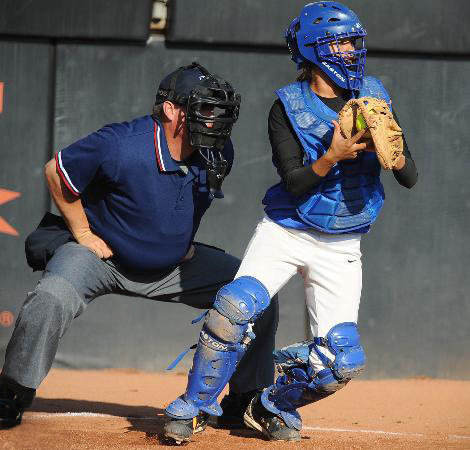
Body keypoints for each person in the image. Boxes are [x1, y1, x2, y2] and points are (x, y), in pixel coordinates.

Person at [163, 2, 418, 444]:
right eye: (340, 42)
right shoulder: (287, 105)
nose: (351, 50)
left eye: (354, 41)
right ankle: (193, 406)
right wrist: (333, 156)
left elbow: (410, 177)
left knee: (342, 362)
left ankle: (268, 404)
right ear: (311, 49)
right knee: (233, 311)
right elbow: (295, 181)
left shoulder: (373, 95)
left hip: (342, 244)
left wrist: (393, 155)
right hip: (287, 230)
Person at [0, 62, 279, 436]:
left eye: (221, 111)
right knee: (51, 296)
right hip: (102, 257)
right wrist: (82, 233)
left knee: (257, 293)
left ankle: (243, 400)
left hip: (172, 268)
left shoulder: (218, 151)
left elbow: (191, 202)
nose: (215, 120)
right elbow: (55, 171)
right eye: (205, 109)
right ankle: (11, 392)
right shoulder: (122, 144)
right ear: (171, 109)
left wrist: (181, 243)